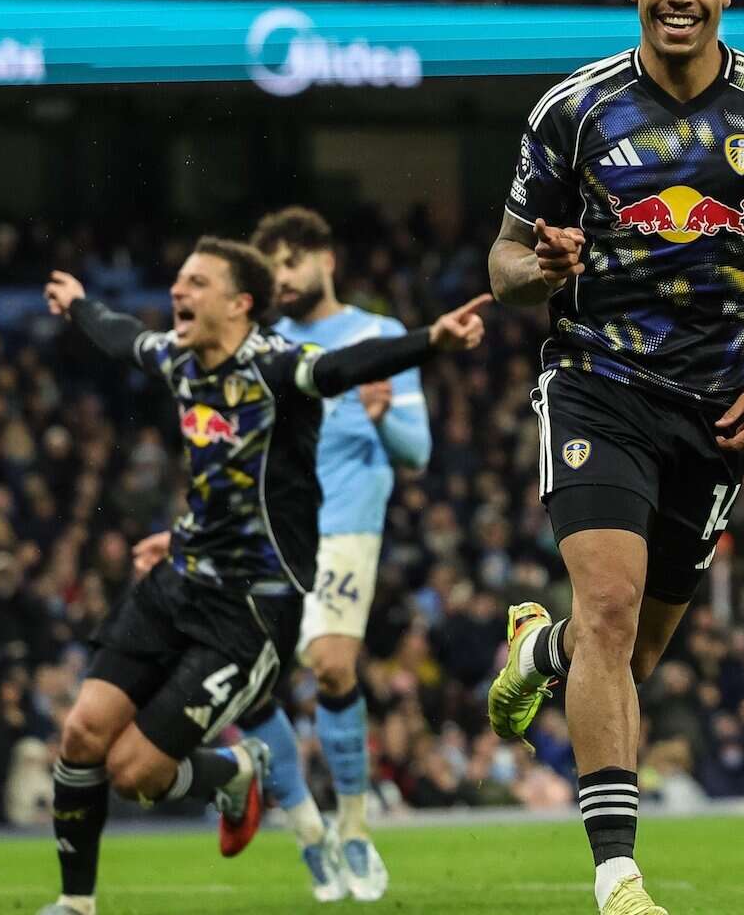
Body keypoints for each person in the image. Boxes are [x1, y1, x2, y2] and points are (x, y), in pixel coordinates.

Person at [485, 0, 744, 915]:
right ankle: (619, 878)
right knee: (608, 609)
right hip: (597, 382)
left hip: (719, 406)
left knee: (628, 656)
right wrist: (540, 268)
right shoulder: (574, 109)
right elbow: (505, 259)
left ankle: (538, 653)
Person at [37, 239, 487, 915]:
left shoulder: (277, 366)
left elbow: (343, 366)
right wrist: (78, 305)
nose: (177, 292)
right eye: (178, 280)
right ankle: (76, 906)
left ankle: (236, 770)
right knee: (80, 736)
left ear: (239, 303)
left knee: (134, 775)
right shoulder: (177, 358)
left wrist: (432, 341)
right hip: (177, 582)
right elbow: (122, 337)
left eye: (195, 282)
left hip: (248, 608)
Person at [131, 207, 431, 901]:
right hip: (264, 539)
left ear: (326, 258)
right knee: (254, 691)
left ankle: (354, 826)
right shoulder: (258, 343)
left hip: (348, 520)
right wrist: (181, 535)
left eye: (293, 261)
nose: (284, 277)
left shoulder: (376, 337)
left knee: (330, 667)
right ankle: (309, 835)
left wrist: (384, 420)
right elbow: (220, 456)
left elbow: (419, 453)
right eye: (274, 267)